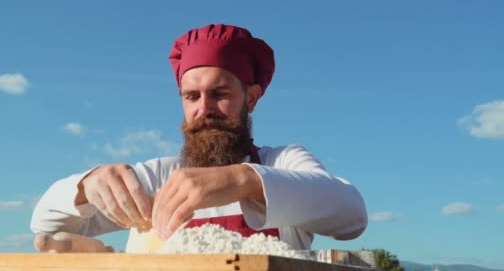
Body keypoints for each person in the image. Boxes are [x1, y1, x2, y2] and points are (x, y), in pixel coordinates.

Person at [30, 24, 367, 252]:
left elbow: (351, 216)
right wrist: (86, 186)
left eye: (219, 93)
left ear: (251, 98)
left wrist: (243, 180)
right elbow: (44, 220)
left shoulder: (282, 163)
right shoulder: (158, 176)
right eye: (191, 97)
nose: (204, 109)